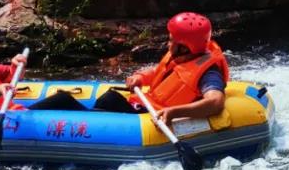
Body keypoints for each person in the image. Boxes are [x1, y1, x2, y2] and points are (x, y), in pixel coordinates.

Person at [93, 12, 228, 127]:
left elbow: (215, 102)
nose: (167, 44)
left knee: (110, 99)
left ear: (185, 47)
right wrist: (140, 77)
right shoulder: (184, 56)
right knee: (109, 99)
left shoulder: (209, 73)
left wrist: (175, 112)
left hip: (155, 114)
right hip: (146, 105)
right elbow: (161, 72)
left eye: (171, 40)